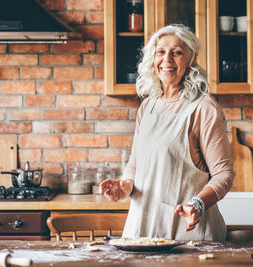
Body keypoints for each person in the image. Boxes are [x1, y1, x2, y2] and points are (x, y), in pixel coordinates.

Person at [100, 24, 234, 241]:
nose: (167, 59)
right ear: (153, 58)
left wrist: (197, 204)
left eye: (177, 52)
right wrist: (125, 186)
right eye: (161, 51)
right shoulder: (148, 106)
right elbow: (136, 163)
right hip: (143, 227)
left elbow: (224, 174)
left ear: (191, 59)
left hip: (188, 231)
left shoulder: (203, 107)